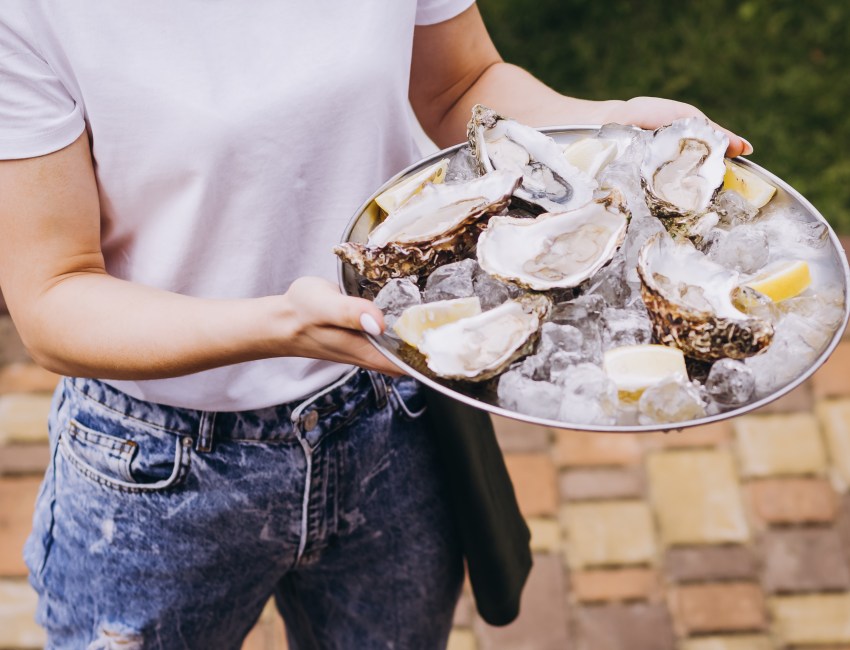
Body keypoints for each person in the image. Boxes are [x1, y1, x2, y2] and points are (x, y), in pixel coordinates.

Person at [0, 2, 751, 648]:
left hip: (390, 421)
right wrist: (280, 324)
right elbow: (54, 297)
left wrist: (610, 126)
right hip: (161, 470)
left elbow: (460, 84)